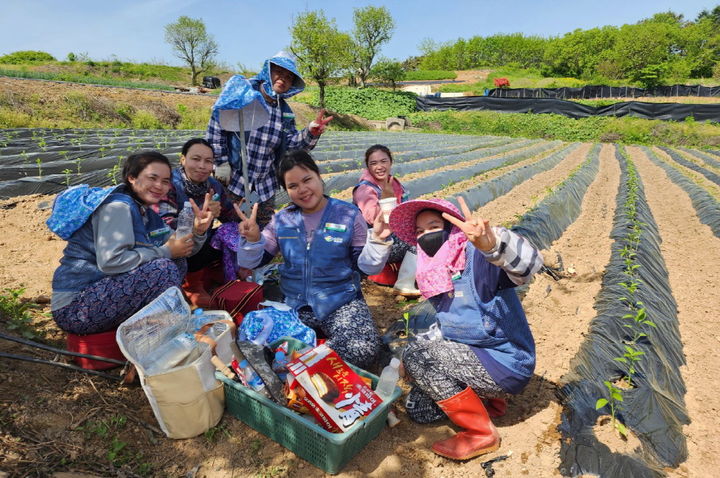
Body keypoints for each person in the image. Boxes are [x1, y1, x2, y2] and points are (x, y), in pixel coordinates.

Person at [388, 197, 544, 460]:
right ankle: (486, 400)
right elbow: (447, 323)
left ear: (450, 229)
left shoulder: (476, 259)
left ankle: (482, 433)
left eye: (433, 226)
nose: (426, 235)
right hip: (476, 356)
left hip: (505, 363)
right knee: (418, 407)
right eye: (419, 231)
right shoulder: (437, 272)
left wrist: (492, 244)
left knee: (418, 358)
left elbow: (530, 265)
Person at [234, 150, 392, 370]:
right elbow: (254, 262)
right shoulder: (282, 220)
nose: (303, 190)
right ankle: (313, 359)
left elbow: (364, 266)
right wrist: (252, 240)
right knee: (250, 338)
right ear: (286, 190)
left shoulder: (347, 214)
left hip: (340, 302)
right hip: (295, 306)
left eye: (307, 179)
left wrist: (377, 242)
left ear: (319, 176)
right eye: (293, 186)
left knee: (362, 348)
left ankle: (299, 361)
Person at [51, 152, 214, 335]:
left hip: (103, 293)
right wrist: (166, 252)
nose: (159, 186)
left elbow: (181, 248)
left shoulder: (146, 213)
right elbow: (111, 262)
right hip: (76, 306)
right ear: (132, 178)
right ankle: (163, 329)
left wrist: (198, 231)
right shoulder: (117, 208)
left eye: (166, 181)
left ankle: (159, 326)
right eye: (152, 178)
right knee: (162, 268)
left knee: (176, 262)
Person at [206, 51, 333, 228]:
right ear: (269, 71)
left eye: (289, 77)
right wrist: (220, 162)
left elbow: (290, 146)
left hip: (264, 186)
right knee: (232, 230)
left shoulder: (284, 111)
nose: (283, 78)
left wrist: (311, 133)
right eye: (279, 72)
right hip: (234, 180)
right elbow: (217, 122)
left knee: (263, 233)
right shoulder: (245, 93)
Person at [155, 138, 240, 307]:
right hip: (174, 244)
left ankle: (220, 271)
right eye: (196, 159)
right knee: (195, 236)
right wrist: (198, 219)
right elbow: (164, 225)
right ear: (183, 159)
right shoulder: (169, 185)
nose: (202, 166)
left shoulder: (213, 185)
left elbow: (230, 214)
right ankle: (191, 285)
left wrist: (232, 216)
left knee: (231, 231)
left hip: (202, 239)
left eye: (208, 161)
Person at [352, 144, 419, 296]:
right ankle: (405, 283)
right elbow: (373, 218)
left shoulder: (393, 182)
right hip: (373, 243)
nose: (379, 167)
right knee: (419, 239)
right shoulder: (365, 189)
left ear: (391, 162)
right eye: (373, 163)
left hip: (392, 235)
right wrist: (386, 201)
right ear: (367, 166)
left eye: (383, 161)